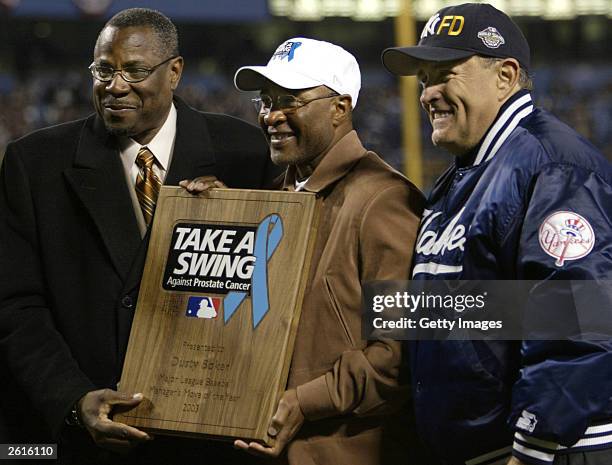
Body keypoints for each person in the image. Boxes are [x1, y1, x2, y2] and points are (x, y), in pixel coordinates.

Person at [0, 8, 278, 464]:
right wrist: (72, 400)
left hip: (207, 439)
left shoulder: (245, 153)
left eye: (134, 70)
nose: (115, 85)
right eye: (104, 70)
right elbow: (15, 305)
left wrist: (237, 221)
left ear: (175, 72)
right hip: (78, 439)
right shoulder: (35, 163)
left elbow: (270, 291)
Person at [382, 3, 612, 465]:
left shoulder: (552, 163)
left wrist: (532, 446)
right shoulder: (465, 173)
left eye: (445, 73)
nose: (427, 94)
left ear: (506, 76)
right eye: (424, 80)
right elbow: (466, 310)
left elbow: (579, 319)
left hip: (549, 450)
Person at [220, 36, 423, 465]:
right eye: (266, 100)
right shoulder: (276, 195)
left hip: (346, 450)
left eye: (290, 100)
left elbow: (401, 352)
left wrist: (305, 401)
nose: (271, 115)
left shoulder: (383, 200)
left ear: (340, 108)